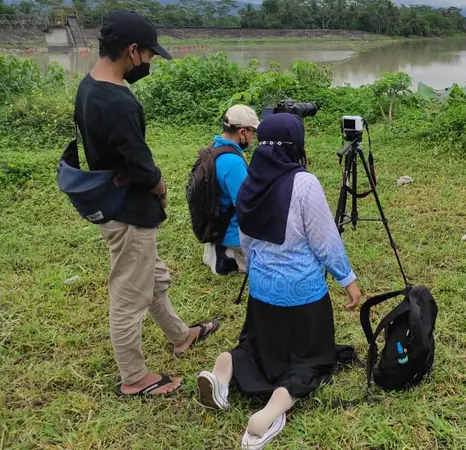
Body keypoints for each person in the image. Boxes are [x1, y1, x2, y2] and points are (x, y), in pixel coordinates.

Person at [74, 11, 218, 397]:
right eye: (150, 55)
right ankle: (134, 378)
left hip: (114, 201)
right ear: (132, 50)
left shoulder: (88, 87)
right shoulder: (117, 101)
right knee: (128, 295)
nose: (150, 62)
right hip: (129, 210)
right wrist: (159, 187)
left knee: (152, 278)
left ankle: (180, 334)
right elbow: (139, 163)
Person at [196, 113, 362, 449]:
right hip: (303, 297)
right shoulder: (304, 183)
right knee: (311, 360)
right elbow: (325, 240)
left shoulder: (250, 181)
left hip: (261, 293)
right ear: (295, 143)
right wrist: (348, 280)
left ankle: (225, 366)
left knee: (256, 347)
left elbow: (246, 241)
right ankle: (266, 415)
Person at [202, 104, 260, 276]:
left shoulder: (214, 149)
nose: (253, 138)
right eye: (252, 132)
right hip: (230, 232)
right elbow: (247, 206)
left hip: (214, 223)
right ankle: (228, 255)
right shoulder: (233, 163)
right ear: (242, 132)